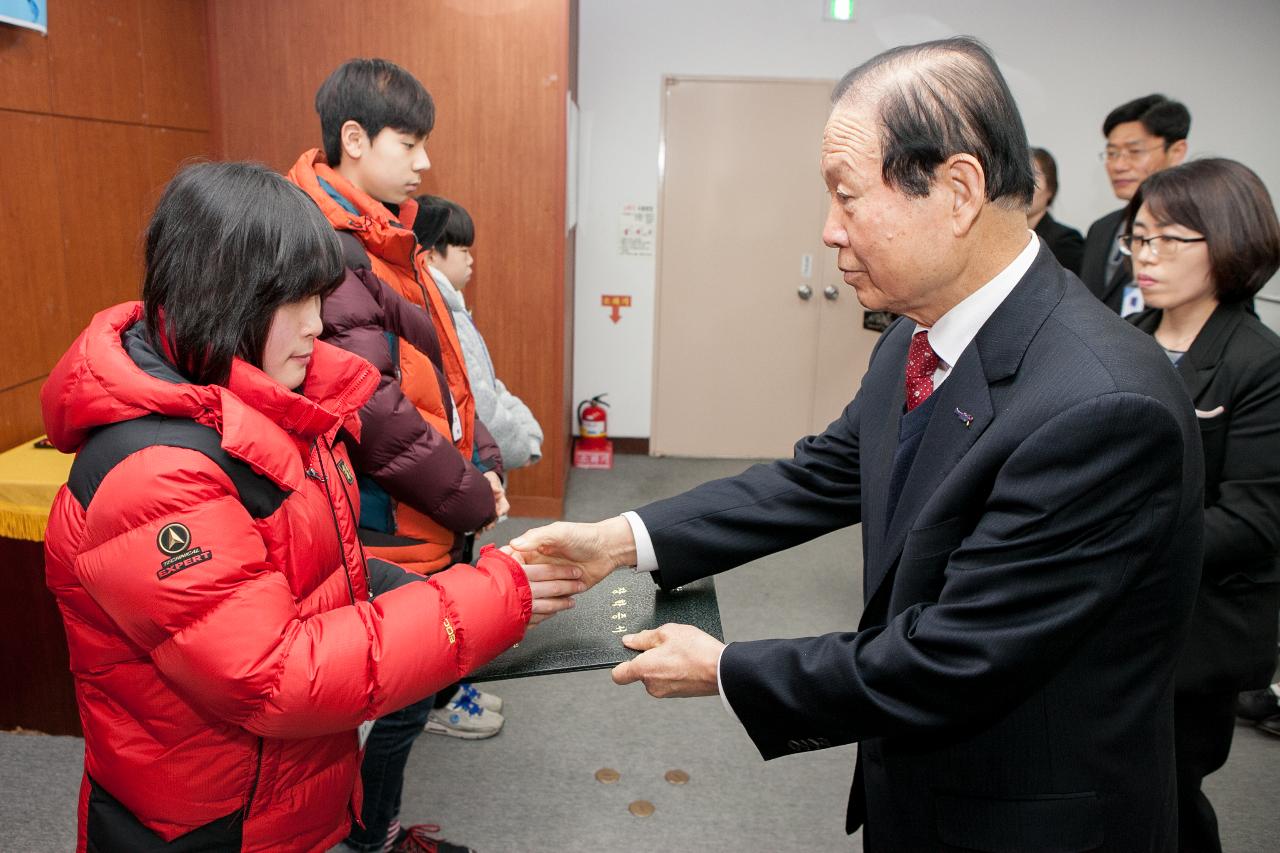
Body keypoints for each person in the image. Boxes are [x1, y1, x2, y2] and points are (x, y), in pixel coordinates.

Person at [514, 37, 1204, 850]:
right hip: (922, 786)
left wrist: (729, 668)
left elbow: (955, 657)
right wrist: (619, 540)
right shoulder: (916, 334)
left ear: (958, 190)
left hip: (1032, 815)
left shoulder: (1102, 406)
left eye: (847, 197)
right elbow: (821, 477)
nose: (829, 230)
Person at [39, 162, 578, 852]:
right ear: (226, 296)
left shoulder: (266, 403)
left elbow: (321, 574)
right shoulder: (155, 474)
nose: (318, 323)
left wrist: (475, 587)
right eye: (297, 301)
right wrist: (491, 599)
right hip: (212, 826)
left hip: (281, 799)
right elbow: (276, 676)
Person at [285, 58, 514, 846]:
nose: (424, 162)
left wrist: (478, 452)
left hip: (422, 504)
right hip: (382, 514)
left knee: (409, 681)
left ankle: (367, 829)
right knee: (393, 690)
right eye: (409, 142)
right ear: (354, 139)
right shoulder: (329, 245)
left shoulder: (385, 232)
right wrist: (472, 493)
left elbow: (447, 370)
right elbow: (376, 416)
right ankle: (368, 834)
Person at [1120, 158, 1280, 852]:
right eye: (1139, 238)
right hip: (1106, 613)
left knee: (1172, 796)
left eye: (1166, 240)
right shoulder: (1121, 339)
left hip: (1197, 626)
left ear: (1229, 241)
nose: (1144, 257)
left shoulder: (1258, 361)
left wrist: (1118, 539)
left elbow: (1254, 518)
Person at [415, 194, 544, 472]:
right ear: (433, 253)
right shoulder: (441, 314)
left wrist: (526, 429)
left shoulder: (453, 305)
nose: (471, 261)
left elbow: (488, 383)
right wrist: (521, 444)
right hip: (470, 464)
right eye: (464, 251)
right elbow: (479, 400)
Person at [1080, 94, 1190, 315]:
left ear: (1176, 152)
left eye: (1135, 151)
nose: (1119, 165)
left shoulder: (1192, 234)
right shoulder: (1100, 229)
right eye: (1112, 153)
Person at [1027, 146, 1084, 274]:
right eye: (1018, 177)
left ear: (1051, 189)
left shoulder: (1065, 240)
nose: (1024, 186)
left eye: (1034, 178)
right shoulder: (1005, 239)